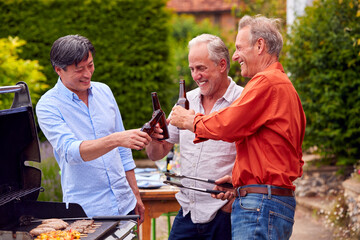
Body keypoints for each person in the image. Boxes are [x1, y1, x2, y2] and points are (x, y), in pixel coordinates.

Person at [170, 15, 306, 240]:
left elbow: (228, 124)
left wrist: (190, 121)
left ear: (260, 46)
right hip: (267, 201)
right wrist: (239, 178)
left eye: (239, 48)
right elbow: (282, 153)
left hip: (261, 204)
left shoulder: (266, 83)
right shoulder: (283, 86)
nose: (234, 56)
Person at [36, 34, 151, 222]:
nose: (87, 74)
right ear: (59, 70)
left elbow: (124, 151)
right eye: (79, 69)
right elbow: (71, 152)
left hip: (126, 204)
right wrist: (116, 139)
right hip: (87, 212)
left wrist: (135, 194)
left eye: (90, 65)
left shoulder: (104, 91)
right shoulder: (48, 105)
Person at [146, 34, 243, 240]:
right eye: (192, 69)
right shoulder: (186, 100)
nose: (196, 76)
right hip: (188, 213)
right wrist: (154, 138)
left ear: (222, 65)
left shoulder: (242, 100)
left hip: (225, 214)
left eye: (201, 68)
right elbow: (157, 153)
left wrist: (230, 205)